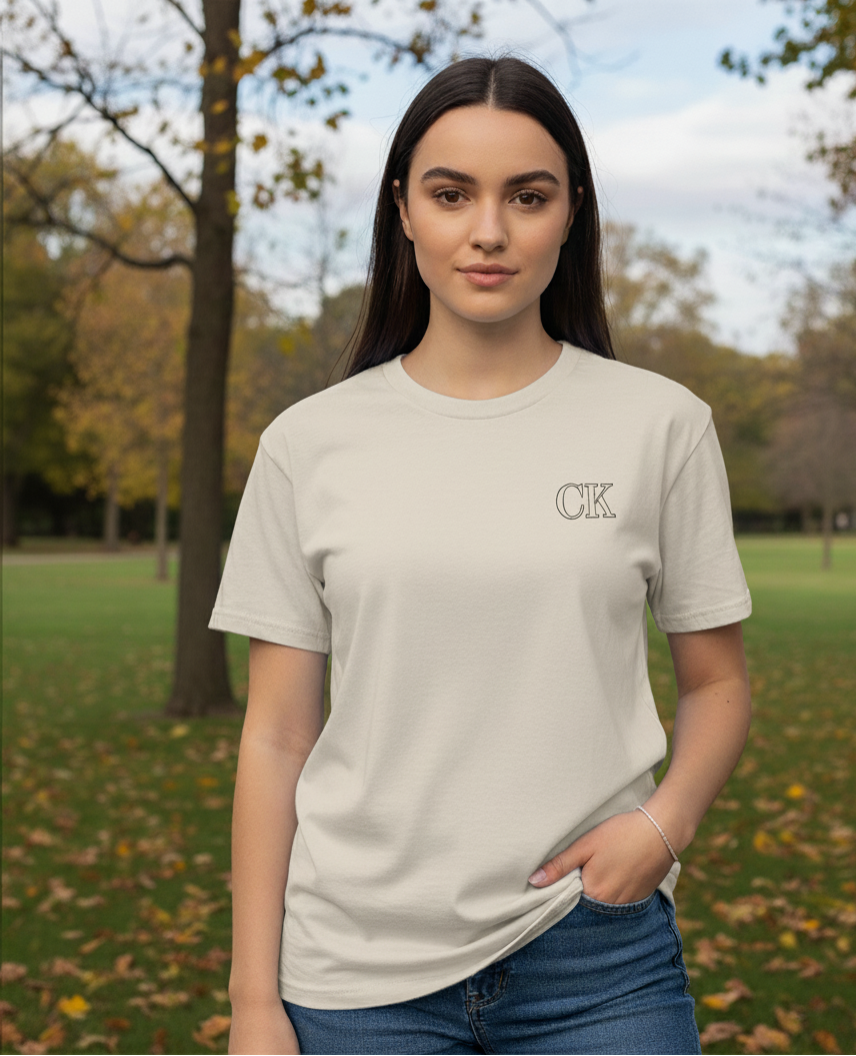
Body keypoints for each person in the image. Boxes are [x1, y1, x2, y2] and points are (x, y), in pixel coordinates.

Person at [211, 55, 752, 1056]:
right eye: (451, 194)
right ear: (404, 211)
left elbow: (715, 685)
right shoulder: (306, 444)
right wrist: (254, 1001)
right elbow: (277, 736)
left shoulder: (661, 427)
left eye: (528, 196)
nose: (489, 231)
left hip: (594, 958)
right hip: (353, 977)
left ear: (571, 215)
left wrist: (662, 824)